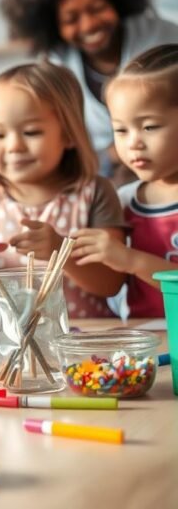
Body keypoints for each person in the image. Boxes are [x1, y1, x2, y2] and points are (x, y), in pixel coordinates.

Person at [0, 0, 178, 179]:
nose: (89, 24)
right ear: (52, 25)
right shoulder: (55, 66)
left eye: (96, 8)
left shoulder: (164, 38)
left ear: (118, 0)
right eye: (71, 19)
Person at [0, 62, 125, 318]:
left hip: (83, 348)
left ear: (68, 134)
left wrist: (60, 250)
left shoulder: (95, 192)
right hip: (8, 349)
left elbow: (110, 283)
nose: (14, 146)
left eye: (31, 132)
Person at [72, 44, 178, 318]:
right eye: (120, 129)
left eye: (149, 126)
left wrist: (130, 259)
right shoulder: (123, 200)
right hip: (143, 345)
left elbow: (127, 262)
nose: (133, 143)